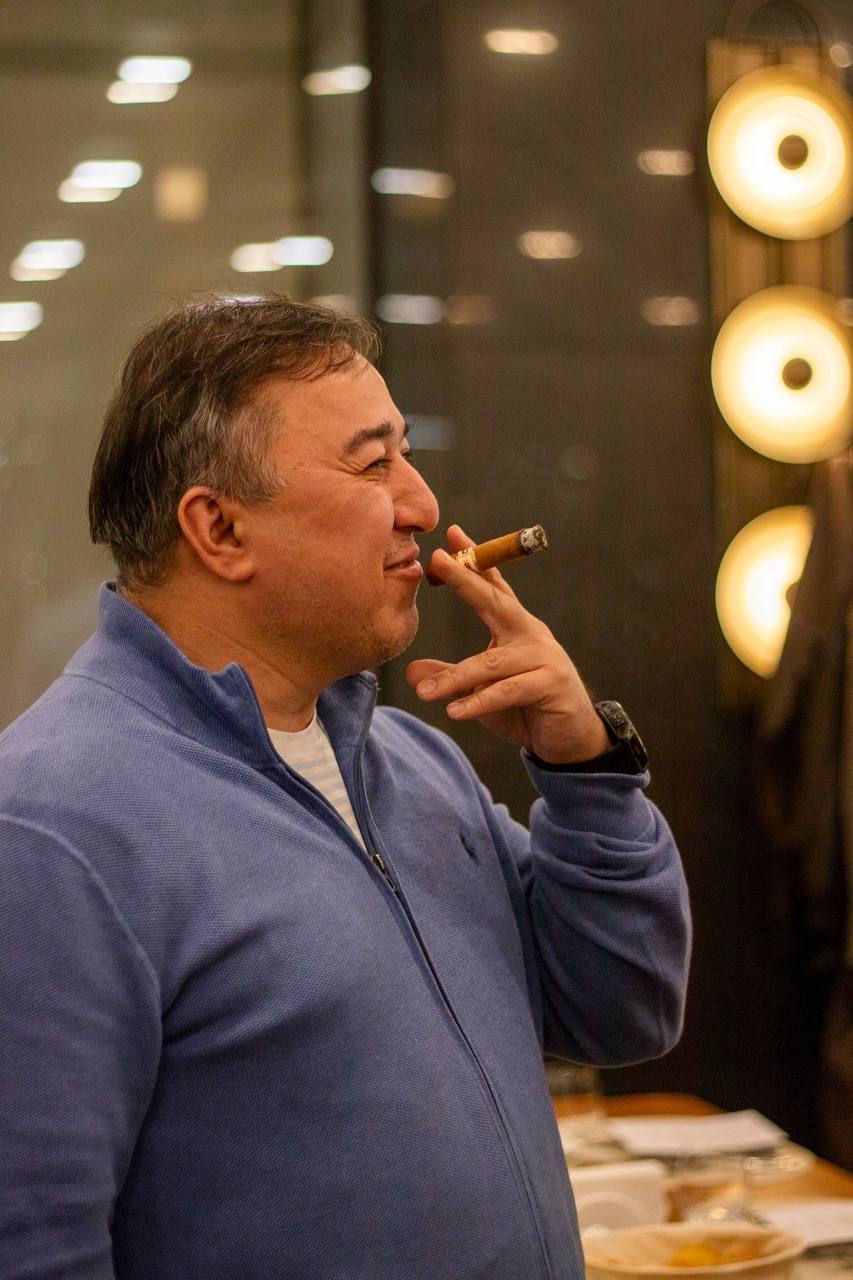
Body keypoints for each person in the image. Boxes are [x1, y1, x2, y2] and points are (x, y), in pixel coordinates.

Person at [0, 296, 690, 1280]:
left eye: (405, 454)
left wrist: (588, 775)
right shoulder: (49, 830)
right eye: (372, 465)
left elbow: (623, 1014)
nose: (422, 504)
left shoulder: (412, 763)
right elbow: (31, 1239)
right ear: (219, 527)